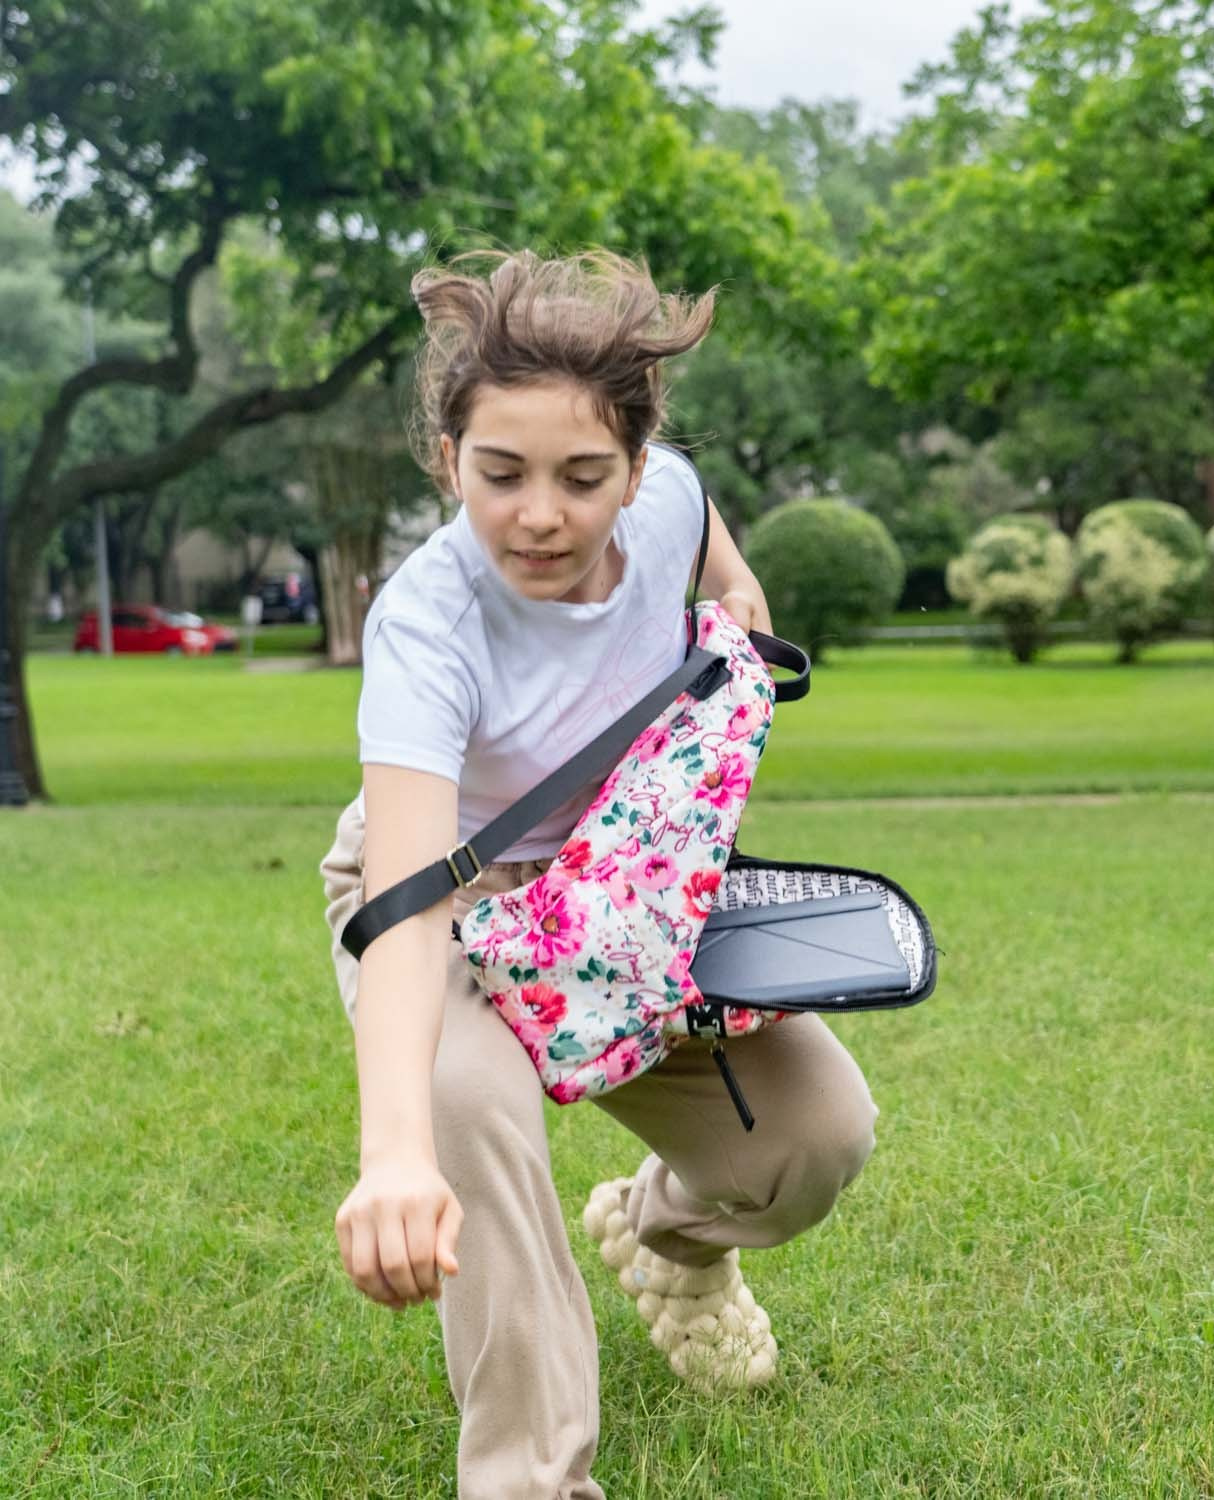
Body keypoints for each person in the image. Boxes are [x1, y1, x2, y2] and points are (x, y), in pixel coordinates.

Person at [318, 251, 877, 1499]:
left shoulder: (670, 500)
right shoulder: (427, 621)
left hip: (622, 886)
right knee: (466, 1108)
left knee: (814, 1139)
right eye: (499, 473)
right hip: (448, 901)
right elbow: (402, 905)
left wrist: (730, 631)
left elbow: (722, 574)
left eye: (583, 477)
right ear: (448, 458)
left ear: (636, 466)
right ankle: (529, 1477)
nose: (539, 515)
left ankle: (668, 1238)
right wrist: (395, 1148)